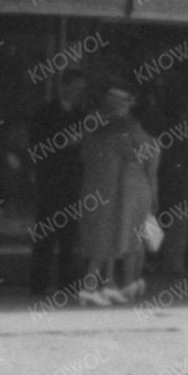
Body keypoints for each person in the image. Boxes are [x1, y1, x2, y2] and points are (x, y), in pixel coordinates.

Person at [75, 84, 160, 306]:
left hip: (96, 191)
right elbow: (141, 154)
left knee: (105, 240)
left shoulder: (93, 131)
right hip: (111, 192)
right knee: (104, 242)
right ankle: (90, 287)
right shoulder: (120, 133)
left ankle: (108, 284)